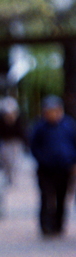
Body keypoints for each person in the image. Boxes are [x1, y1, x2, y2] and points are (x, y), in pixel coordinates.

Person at [28, 95, 76, 237]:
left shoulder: (69, 125)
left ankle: (58, 224)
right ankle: (45, 225)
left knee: (62, 197)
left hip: (65, 167)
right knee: (45, 196)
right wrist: (42, 159)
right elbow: (33, 146)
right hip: (46, 169)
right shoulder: (40, 126)